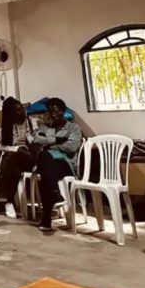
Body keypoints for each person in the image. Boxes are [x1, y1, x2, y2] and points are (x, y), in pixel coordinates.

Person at [30, 97, 82, 232]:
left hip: (65, 164)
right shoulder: (45, 126)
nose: (54, 114)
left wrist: (49, 145)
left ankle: (46, 217)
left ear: (63, 111)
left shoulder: (73, 128)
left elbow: (71, 147)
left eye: (57, 111)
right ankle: (55, 193)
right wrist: (57, 140)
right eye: (51, 111)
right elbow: (36, 140)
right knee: (45, 164)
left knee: (44, 159)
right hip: (49, 165)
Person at [0, 97, 36, 219]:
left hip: (28, 158)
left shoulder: (32, 123)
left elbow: (36, 142)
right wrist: (17, 149)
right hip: (13, 161)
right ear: (10, 114)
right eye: (16, 111)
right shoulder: (5, 128)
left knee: (12, 157)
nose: (21, 112)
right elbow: (2, 147)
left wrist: (21, 148)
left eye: (21, 108)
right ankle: (9, 202)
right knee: (14, 167)